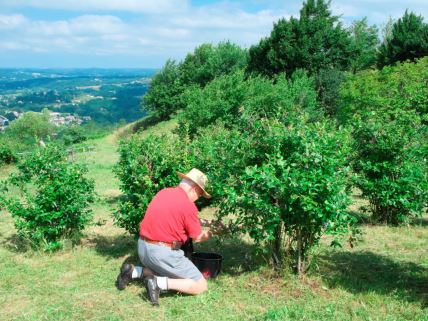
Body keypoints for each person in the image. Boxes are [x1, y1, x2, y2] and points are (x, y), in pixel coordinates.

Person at [116, 168, 215, 306]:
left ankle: (133, 271)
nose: (198, 198)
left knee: (164, 270)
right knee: (201, 285)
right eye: (199, 194)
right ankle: (158, 284)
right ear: (193, 189)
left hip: (143, 247)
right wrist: (214, 232)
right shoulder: (188, 205)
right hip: (162, 253)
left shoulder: (164, 193)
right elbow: (198, 237)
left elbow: (180, 218)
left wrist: (209, 223)